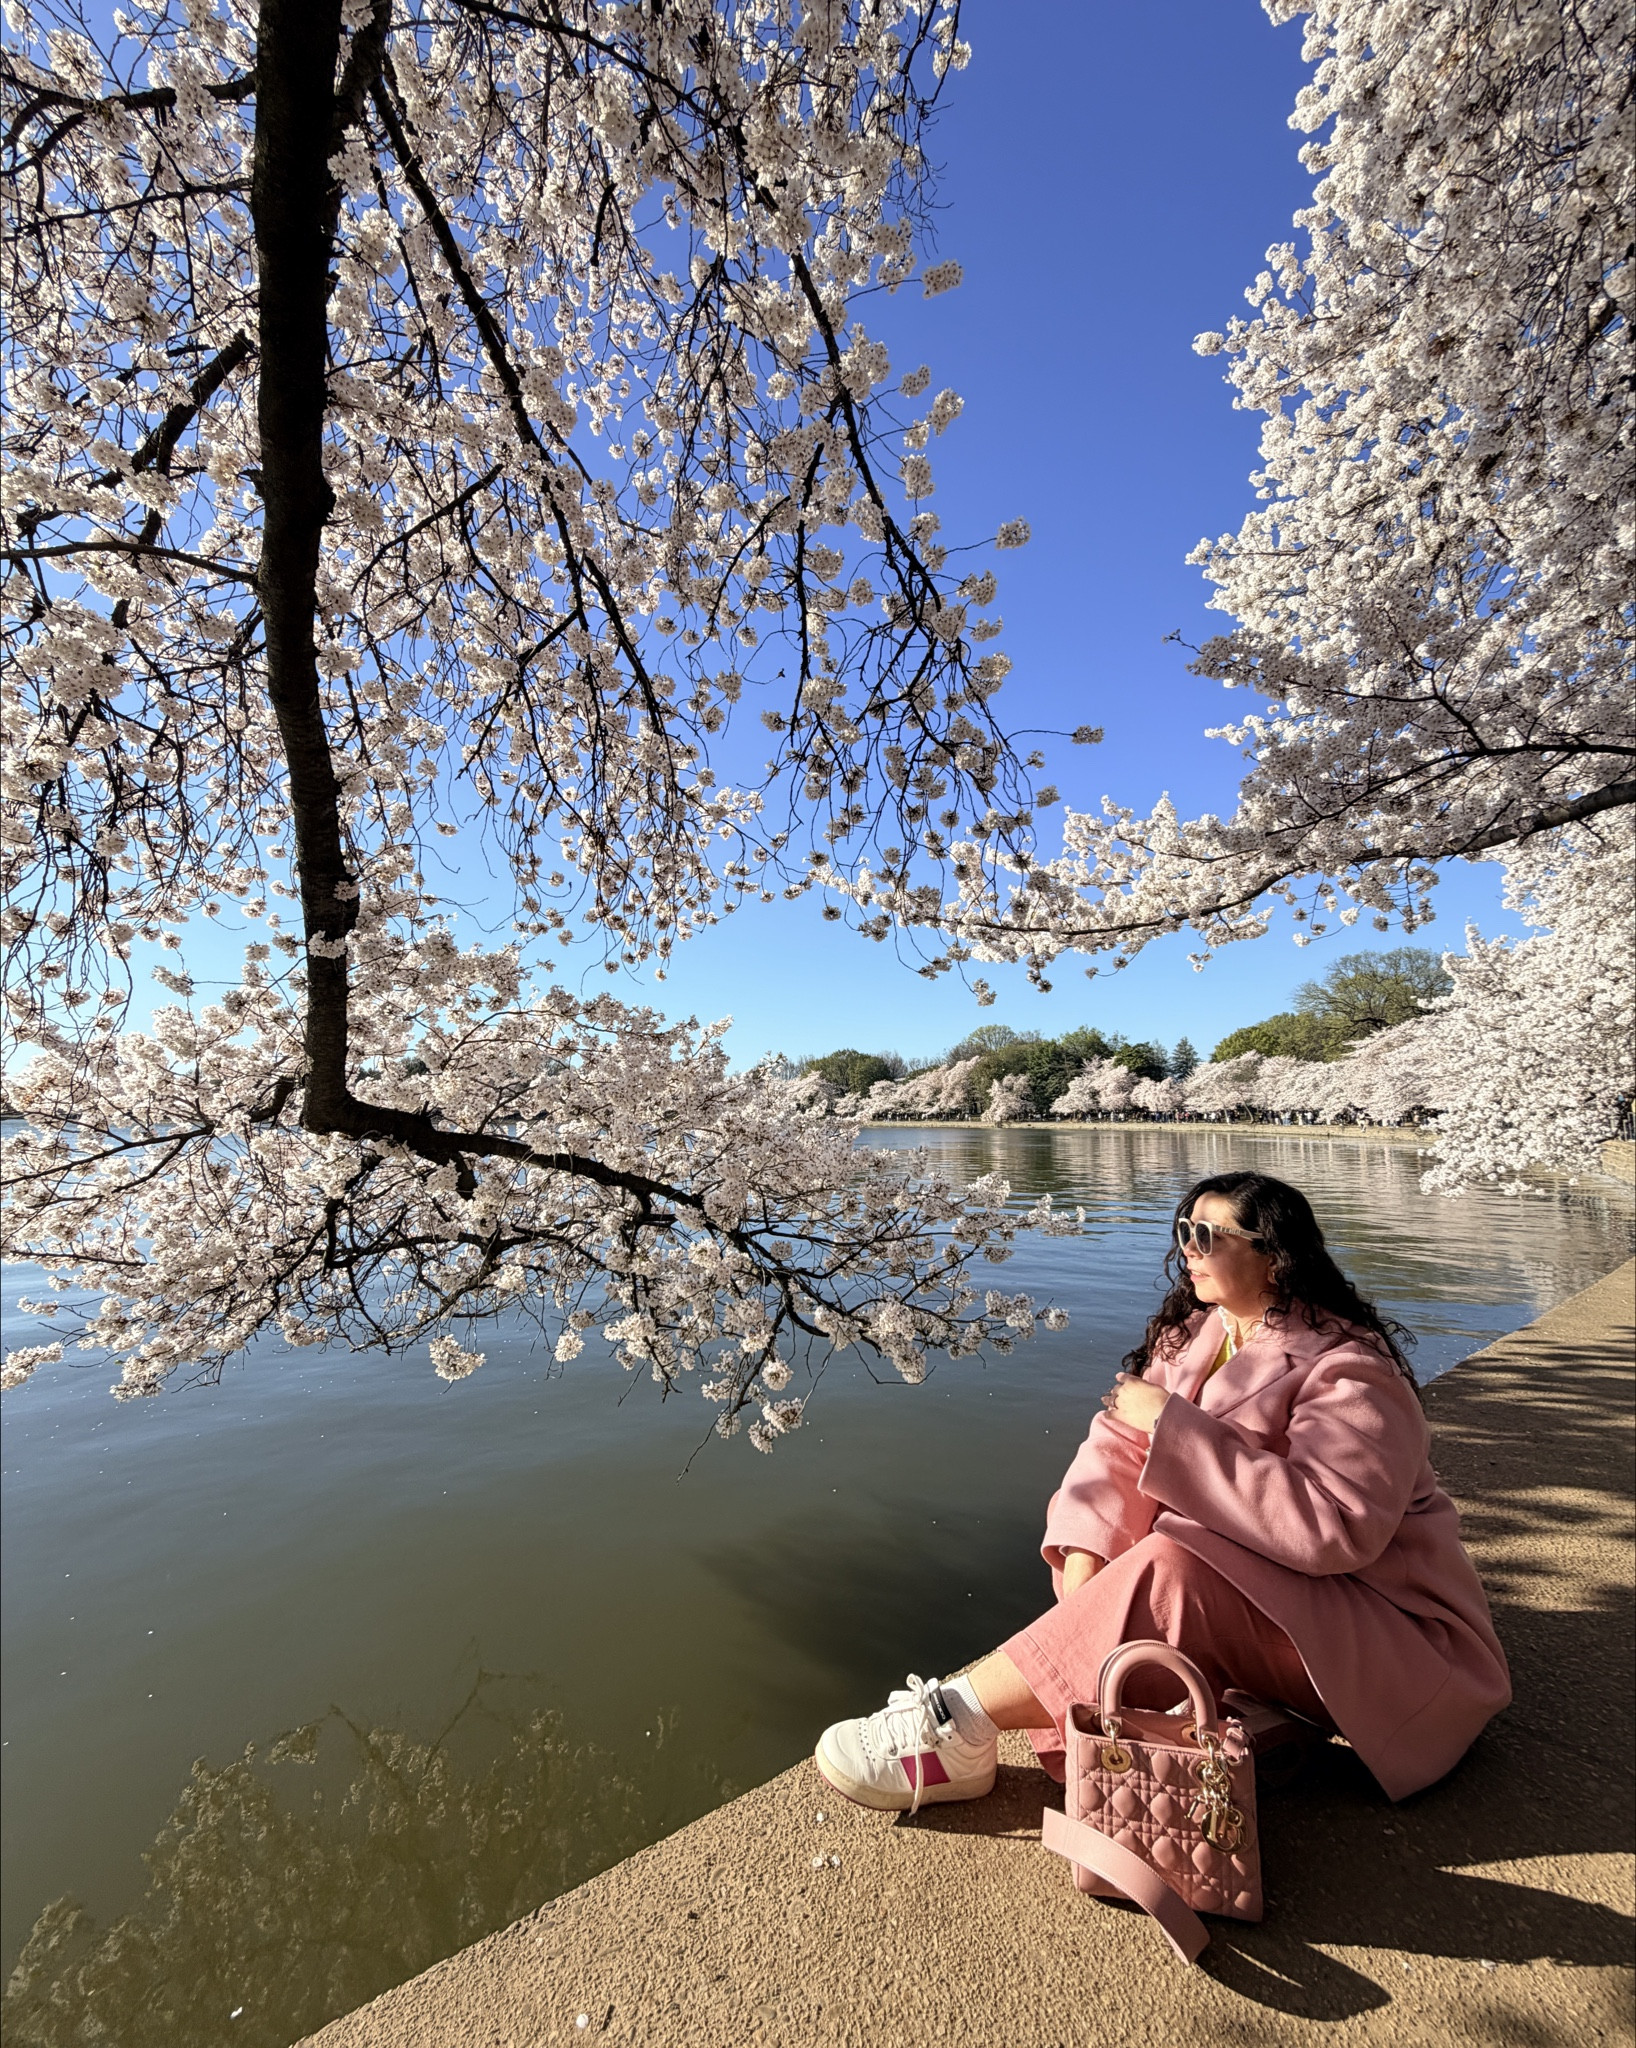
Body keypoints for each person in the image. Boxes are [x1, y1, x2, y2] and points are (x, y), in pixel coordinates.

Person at [814, 1171, 1511, 1812]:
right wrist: (1086, 1559)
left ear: (1274, 1254)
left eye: (1207, 1236)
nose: (1188, 1251)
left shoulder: (1350, 1370)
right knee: (1146, 1557)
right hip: (1287, 1621)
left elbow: (1333, 1525)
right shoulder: (1194, 1339)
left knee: (1176, 1563)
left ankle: (955, 1727)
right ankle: (1043, 1698)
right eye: (1183, 1232)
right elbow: (1113, 1455)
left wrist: (1170, 1425)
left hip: (1399, 1644)